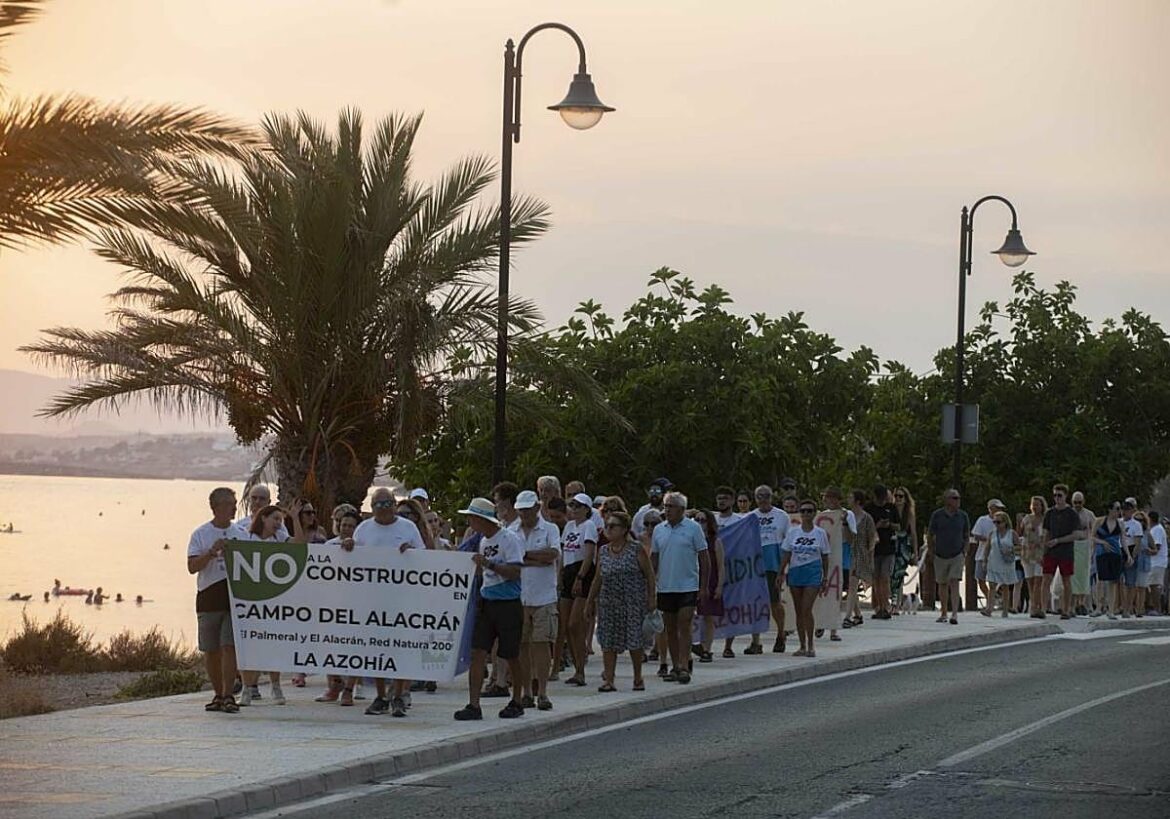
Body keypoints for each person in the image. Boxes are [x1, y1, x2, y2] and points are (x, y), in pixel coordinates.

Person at [354, 487, 425, 717]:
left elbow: (425, 558)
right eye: (378, 505)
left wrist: (412, 552)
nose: (383, 508)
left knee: (401, 649)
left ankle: (399, 694)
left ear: (395, 504)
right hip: (372, 600)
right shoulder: (363, 529)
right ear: (371, 508)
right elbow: (353, 560)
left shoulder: (408, 528)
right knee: (377, 649)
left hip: (402, 599)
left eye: (388, 503)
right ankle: (381, 695)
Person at [454, 497, 526, 721]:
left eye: (472, 518)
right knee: (478, 652)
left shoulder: (509, 539)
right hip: (487, 601)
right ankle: (473, 704)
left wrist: (489, 565)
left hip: (507, 603)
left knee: (510, 654)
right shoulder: (484, 542)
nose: (469, 523)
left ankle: (517, 698)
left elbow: (515, 571)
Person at [238, 502, 305, 705]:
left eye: (280, 520)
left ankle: (276, 687)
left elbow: (300, 544)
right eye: (275, 519)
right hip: (250, 600)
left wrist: (294, 519)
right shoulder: (247, 538)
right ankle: (247, 688)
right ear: (263, 518)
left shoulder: (280, 538)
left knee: (271, 643)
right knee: (248, 647)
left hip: (274, 600)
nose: (278, 523)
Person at [187, 487, 246, 714]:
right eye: (230, 503)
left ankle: (230, 694)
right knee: (211, 649)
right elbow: (192, 567)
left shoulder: (240, 533)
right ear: (217, 507)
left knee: (229, 646)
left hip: (234, 597)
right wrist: (212, 553)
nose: (234, 507)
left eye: (234, 503)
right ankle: (218, 694)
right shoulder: (201, 534)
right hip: (208, 596)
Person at [587, 511, 656, 691]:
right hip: (608, 603)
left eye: (613, 526)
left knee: (634, 641)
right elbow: (598, 578)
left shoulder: (636, 549)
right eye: (607, 526)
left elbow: (649, 575)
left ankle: (637, 677)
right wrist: (589, 601)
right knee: (608, 642)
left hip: (632, 602)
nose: (608, 530)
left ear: (624, 529)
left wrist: (651, 598)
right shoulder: (603, 551)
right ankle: (609, 679)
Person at [651, 491, 710, 684]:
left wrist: (703, 586)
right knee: (670, 628)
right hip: (666, 586)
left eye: (671, 506)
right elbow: (654, 559)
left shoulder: (693, 529)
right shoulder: (659, 530)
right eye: (665, 506)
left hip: (688, 585)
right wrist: (650, 585)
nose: (667, 510)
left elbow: (704, 557)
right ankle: (675, 665)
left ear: (682, 510)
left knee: (684, 625)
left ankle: (685, 665)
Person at [512, 490, 560, 711]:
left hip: (544, 596)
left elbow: (551, 555)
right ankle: (526, 692)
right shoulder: (511, 530)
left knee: (541, 644)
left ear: (536, 507)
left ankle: (542, 691)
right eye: (521, 510)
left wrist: (526, 556)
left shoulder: (549, 529)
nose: (524, 514)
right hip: (520, 596)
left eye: (527, 509)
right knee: (521, 645)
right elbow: (512, 559)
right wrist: (534, 557)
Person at [317, 509, 363, 705]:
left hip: (357, 604)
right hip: (332, 603)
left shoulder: (364, 547)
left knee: (354, 648)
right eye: (343, 524)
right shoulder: (329, 545)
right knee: (330, 645)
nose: (346, 528)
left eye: (351, 526)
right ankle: (333, 686)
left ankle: (349, 689)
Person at [556, 492, 598, 687]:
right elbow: (564, 552)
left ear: (586, 509)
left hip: (583, 572)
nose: (573, 509)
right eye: (572, 506)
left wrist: (581, 577)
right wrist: (560, 575)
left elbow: (589, 554)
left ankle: (580, 668)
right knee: (564, 625)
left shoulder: (588, 527)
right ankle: (574, 667)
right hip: (568, 571)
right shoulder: (569, 527)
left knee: (575, 623)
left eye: (578, 506)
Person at [778, 500, 831, 657]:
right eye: (803, 511)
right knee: (798, 610)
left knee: (806, 608)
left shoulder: (820, 533)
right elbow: (787, 553)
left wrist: (825, 577)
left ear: (814, 513)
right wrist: (780, 572)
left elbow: (825, 557)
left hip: (813, 573)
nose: (806, 514)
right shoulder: (793, 532)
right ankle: (802, 645)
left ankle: (811, 645)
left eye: (809, 511)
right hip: (796, 572)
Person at [751, 485, 790, 651]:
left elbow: (788, 543)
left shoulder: (782, 516)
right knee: (755, 604)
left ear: (771, 497)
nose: (763, 499)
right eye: (759, 496)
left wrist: (783, 569)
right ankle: (756, 641)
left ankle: (781, 634)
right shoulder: (750, 516)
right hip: (754, 565)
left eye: (766, 495)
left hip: (773, 565)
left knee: (775, 602)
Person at [927, 489, 970, 625]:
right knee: (942, 583)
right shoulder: (937, 515)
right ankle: (944, 612)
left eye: (958, 498)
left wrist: (965, 551)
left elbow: (966, 534)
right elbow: (930, 534)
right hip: (940, 553)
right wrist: (930, 550)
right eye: (954, 498)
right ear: (947, 500)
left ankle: (955, 613)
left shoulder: (963, 516)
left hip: (957, 553)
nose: (957, 501)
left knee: (954, 581)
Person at [1042, 484, 1085, 620]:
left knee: (1067, 580)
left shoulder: (1071, 514)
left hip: (1065, 551)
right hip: (1051, 551)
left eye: (1059, 495)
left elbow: (1077, 534)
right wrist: (1043, 548)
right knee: (1046, 579)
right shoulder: (1050, 513)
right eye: (1054, 495)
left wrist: (1059, 540)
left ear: (1065, 496)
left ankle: (1066, 609)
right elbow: (1045, 532)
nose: (1057, 498)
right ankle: (1043, 608)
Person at [691, 510, 725, 663]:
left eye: (703, 520)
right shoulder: (690, 540)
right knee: (689, 615)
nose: (700, 523)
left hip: (710, 581)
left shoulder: (715, 541)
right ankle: (693, 644)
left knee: (708, 617)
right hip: (692, 581)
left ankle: (707, 648)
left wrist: (719, 586)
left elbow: (721, 566)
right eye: (697, 520)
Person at [865, 486, 900, 620]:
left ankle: (885, 606)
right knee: (875, 578)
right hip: (874, 548)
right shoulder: (869, 509)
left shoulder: (891, 508)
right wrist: (878, 525)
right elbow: (866, 528)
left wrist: (889, 524)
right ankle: (878, 606)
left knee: (885, 577)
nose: (882, 501)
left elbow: (898, 525)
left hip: (888, 547)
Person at [846, 490, 877, 628]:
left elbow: (872, 538)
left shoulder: (867, 518)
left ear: (858, 501)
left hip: (861, 553)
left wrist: (870, 557)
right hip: (848, 552)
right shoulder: (846, 516)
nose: (848, 499)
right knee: (851, 585)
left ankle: (847, 616)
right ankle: (857, 614)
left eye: (851, 497)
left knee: (852, 584)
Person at [971, 499, 1006, 615]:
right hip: (982, 554)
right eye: (997, 508)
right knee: (980, 579)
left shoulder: (1003, 521)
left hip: (996, 556)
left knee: (994, 581)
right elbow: (976, 535)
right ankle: (990, 599)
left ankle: (990, 605)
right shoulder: (983, 520)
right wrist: (988, 539)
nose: (999, 510)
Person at [1091, 501, 1124, 620]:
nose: (1119, 511)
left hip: (1115, 553)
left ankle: (1110, 609)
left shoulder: (1120, 524)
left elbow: (1123, 540)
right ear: (1110, 510)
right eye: (1117, 508)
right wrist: (1102, 542)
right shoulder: (1099, 521)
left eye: (1119, 509)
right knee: (1100, 580)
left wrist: (1128, 555)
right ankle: (1099, 607)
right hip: (1101, 553)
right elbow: (1092, 536)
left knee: (1113, 582)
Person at [1018, 496, 1048, 616]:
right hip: (1027, 553)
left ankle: (1035, 606)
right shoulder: (1026, 519)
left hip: (1040, 553)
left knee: (1038, 581)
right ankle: (1034, 604)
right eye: (1033, 504)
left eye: (1037, 504)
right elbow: (1020, 533)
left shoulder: (1045, 519)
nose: (1035, 507)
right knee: (1030, 581)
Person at [984, 511, 1017, 618]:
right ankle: (989, 608)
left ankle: (1005, 609)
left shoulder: (1011, 533)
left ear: (1005, 522)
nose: (996, 525)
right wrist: (984, 560)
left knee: (1005, 586)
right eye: (994, 522)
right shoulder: (992, 534)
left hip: (1006, 562)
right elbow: (987, 547)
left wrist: (1011, 550)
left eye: (998, 522)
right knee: (992, 585)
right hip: (993, 561)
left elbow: (1020, 547)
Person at [892, 487, 919, 606]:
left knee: (899, 574)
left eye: (901, 496)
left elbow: (913, 532)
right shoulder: (890, 511)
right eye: (896, 496)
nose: (898, 499)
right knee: (890, 573)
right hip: (891, 543)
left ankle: (897, 604)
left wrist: (915, 552)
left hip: (904, 545)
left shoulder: (909, 513)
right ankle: (892, 601)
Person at [1071, 492, 1096, 615]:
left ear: (1083, 502)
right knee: (1073, 576)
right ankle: (1074, 603)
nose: (1077, 505)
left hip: (1085, 547)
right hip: (1072, 546)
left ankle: (1082, 603)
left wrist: (1093, 546)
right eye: (1075, 502)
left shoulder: (1089, 514)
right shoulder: (1069, 514)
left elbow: (1095, 531)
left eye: (1079, 502)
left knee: (1084, 576)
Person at [1147, 511, 1167, 615]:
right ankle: (1153, 607)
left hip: (1157, 562)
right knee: (1152, 585)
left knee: (1155, 585)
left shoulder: (1157, 530)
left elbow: (1157, 547)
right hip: (1153, 562)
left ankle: (1157, 608)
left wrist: (1146, 550)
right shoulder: (1153, 529)